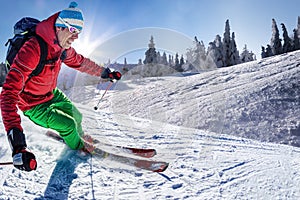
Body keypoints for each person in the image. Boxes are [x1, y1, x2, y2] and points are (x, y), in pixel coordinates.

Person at [0, 2, 121, 172]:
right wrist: (18, 145)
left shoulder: (62, 48)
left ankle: (76, 138)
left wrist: (105, 73)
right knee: (69, 124)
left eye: (78, 32)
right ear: (59, 27)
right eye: (73, 31)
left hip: (51, 94)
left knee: (77, 116)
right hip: (33, 105)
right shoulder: (32, 49)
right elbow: (7, 95)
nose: (76, 37)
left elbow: (81, 63)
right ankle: (78, 146)